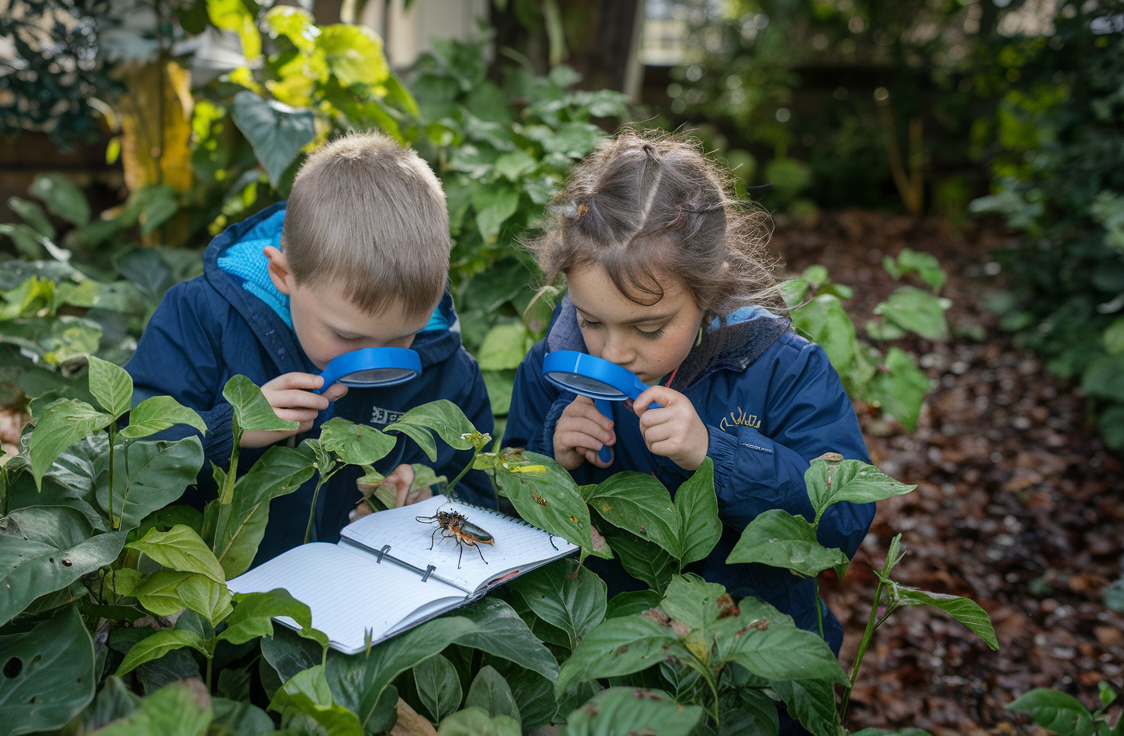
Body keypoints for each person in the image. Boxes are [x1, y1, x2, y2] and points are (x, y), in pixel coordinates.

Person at [503, 129, 875, 663]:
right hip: (610, 659)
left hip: (752, 661)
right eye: (591, 321)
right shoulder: (552, 368)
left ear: (710, 286)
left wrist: (716, 455)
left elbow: (840, 522)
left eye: (649, 329)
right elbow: (504, 500)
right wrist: (549, 456)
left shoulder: (781, 368)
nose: (614, 352)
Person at [126, 132, 495, 565]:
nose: (370, 362)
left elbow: (478, 492)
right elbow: (131, 458)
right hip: (219, 601)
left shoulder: (447, 368)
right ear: (282, 274)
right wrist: (231, 431)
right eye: (348, 337)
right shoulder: (203, 318)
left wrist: (428, 499)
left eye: (400, 340)